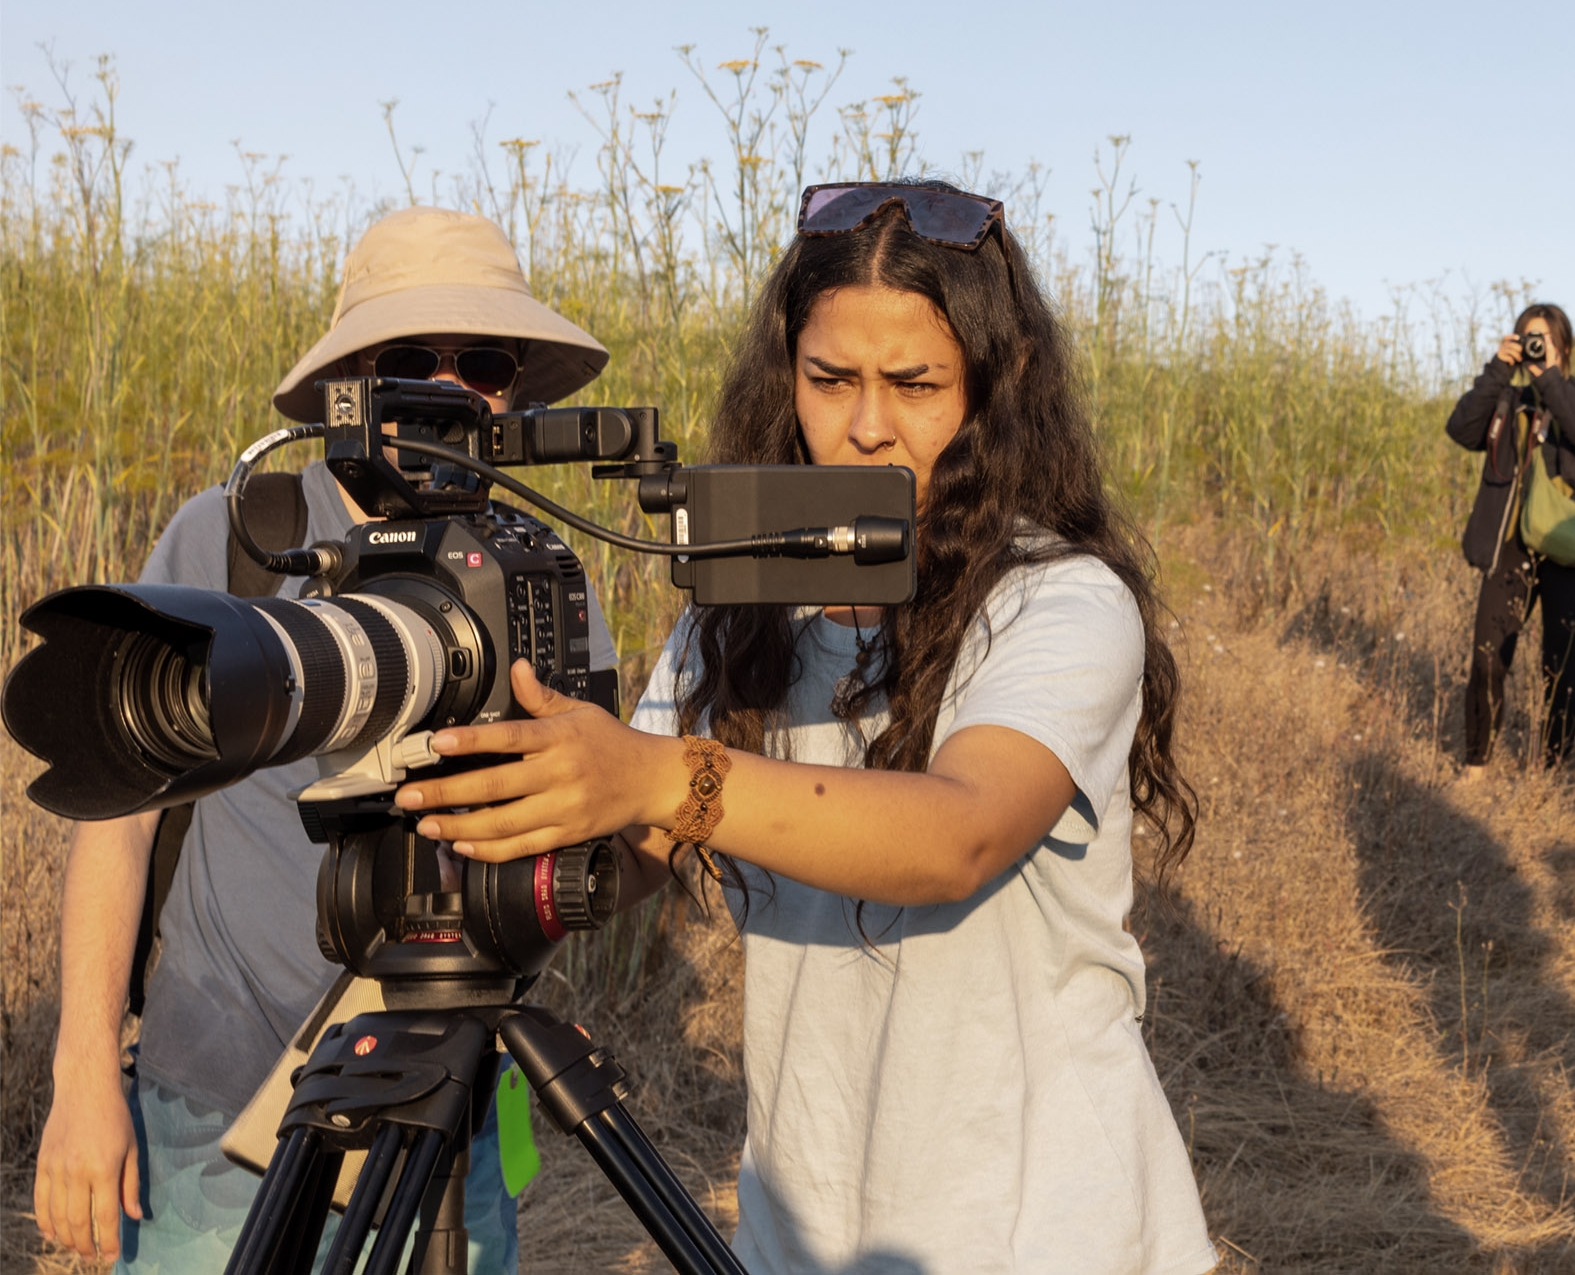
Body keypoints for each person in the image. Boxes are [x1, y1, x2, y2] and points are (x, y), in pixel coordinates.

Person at [391, 182, 1218, 1274]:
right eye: (831, 380)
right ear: (788, 382)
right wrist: (494, 777)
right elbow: (631, 851)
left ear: (993, 395)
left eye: (915, 384)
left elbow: (954, 834)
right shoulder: (737, 612)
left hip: (1043, 1231)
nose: (867, 424)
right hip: (804, 1229)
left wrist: (657, 774)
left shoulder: (1056, 602)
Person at [33, 206, 618, 1272]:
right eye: (408, 359)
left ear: (516, 390)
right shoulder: (235, 533)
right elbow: (118, 824)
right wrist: (81, 1079)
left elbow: (589, 828)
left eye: (481, 360)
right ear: (348, 378)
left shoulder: (538, 576)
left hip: (450, 1109)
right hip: (218, 1112)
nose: (447, 390)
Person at [1446, 304, 1575, 776]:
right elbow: (1460, 430)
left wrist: (1549, 382)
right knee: (1488, 654)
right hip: (1511, 547)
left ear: (1563, 346)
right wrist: (1497, 372)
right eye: (1526, 339)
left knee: (1559, 667)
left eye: (1542, 339)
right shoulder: (1511, 400)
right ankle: (1476, 763)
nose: (1534, 347)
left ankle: (1553, 768)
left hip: (1573, 547)